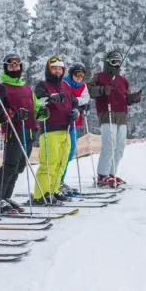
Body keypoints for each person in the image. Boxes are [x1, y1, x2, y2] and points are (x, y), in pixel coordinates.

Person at [0, 54, 49, 213]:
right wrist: (13, 115)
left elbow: (35, 109)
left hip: (29, 132)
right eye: (11, 65)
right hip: (13, 132)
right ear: (6, 68)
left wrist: (42, 112)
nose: (15, 68)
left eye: (17, 65)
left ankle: (6, 196)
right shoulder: (2, 88)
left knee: (19, 167)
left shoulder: (26, 88)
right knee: (9, 165)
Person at [87, 51, 142, 187]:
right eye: (113, 61)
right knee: (109, 145)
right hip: (107, 114)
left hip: (122, 116)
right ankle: (102, 175)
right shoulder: (99, 76)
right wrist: (102, 90)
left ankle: (111, 173)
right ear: (108, 62)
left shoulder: (123, 80)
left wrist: (133, 98)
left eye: (118, 61)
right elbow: (89, 90)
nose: (116, 64)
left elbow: (125, 98)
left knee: (119, 147)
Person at [31, 56, 78, 204]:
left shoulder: (65, 86)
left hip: (66, 129)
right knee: (48, 163)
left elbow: (75, 103)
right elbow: (37, 100)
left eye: (60, 69)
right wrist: (52, 98)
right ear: (48, 69)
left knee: (61, 162)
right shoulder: (42, 85)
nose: (57, 71)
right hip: (49, 129)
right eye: (54, 68)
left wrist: (75, 112)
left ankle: (53, 189)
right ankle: (41, 194)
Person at [59, 63, 90, 195]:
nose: (79, 77)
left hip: (75, 123)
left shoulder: (83, 86)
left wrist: (80, 105)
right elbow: (65, 99)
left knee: (70, 152)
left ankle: (61, 179)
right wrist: (77, 102)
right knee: (62, 152)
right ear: (71, 74)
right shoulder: (65, 83)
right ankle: (57, 180)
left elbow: (86, 99)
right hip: (63, 122)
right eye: (77, 74)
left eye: (82, 75)